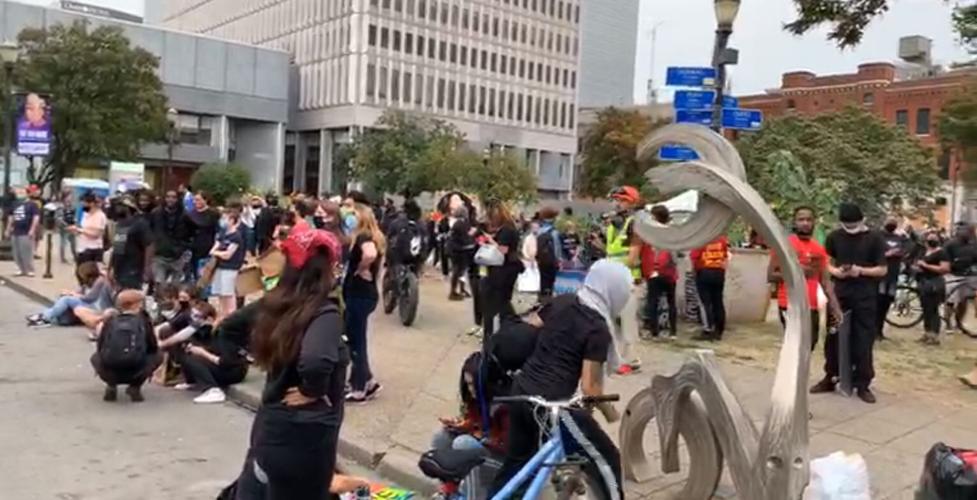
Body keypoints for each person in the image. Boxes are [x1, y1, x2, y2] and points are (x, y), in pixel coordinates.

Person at [489, 260, 626, 499]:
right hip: (551, 406)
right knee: (606, 459)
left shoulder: (563, 302)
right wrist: (611, 413)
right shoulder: (597, 328)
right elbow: (590, 388)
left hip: (521, 392)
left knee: (517, 465)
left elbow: (529, 330)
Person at [233, 227, 347, 499]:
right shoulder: (324, 313)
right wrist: (313, 390)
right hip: (303, 438)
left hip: (270, 427)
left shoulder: (274, 304)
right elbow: (316, 360)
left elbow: (228, 328)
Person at [811, 203, 887, 404]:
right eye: (846, 224)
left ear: (862, 220)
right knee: (834, 335)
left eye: (853, 224)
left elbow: (882, 270)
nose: (850, 228)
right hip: (840, 294)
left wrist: (860, 271)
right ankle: (831, 377)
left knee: (863, 339)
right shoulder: (835, 237)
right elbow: (825, 262)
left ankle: (862, 383)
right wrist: (834, 271)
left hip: (865, 294)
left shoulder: (875, 238)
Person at [767, 206, 842, 351]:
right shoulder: (784, 246)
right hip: (789, 303)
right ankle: (790, 373)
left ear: (814, 223)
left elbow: (825, 281)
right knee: (795, 345)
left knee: (810, 345)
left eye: (808, 220)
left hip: (811, 305)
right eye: (801, 219)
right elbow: (771, 275)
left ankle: (800, 374)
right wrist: (796, 272)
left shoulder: (818, 249)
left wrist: (835, 306)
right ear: (794, 223)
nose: (805, 223)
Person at [344, 203, 385, 404]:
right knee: (357, 339)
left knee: (356, 341)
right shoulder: (375, 236)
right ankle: (366, 380)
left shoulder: (364, 237)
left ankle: (359, 387)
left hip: (358, 294)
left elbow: (369, 254)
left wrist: (361, 268)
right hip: (365, 294)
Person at [90, 290, 162, 403]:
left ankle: (111, 384)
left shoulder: (110, 321)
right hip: (136, 368)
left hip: (110, 369)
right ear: (136, 304)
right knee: (158, 355)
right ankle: (135, 386)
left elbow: (101, 345)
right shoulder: (143, 321)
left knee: (95, 357)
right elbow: (152, 346)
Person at [172, 301, 250, 404]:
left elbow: (226, 362)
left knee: (192, 358)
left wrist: (203, 353)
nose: (194, 321)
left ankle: (213, 390)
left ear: (209, 319)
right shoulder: (201, 333)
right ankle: (192, 381)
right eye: (192, 317)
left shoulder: (222, 333)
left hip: (233, 371)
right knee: (184, 352)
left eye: (197, 317)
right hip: (219, 366)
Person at [603, 186, 644, 374]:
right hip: (614, 279)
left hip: (628, 280)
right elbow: (612, 251)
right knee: (611, 322)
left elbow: (633, 256)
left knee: (628, 322)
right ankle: (616, 357)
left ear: (631, 202)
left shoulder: (635, 224)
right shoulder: (614, 225)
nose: (616, 203)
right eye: (615, 200)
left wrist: (616, 272)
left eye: (620, 200)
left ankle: (632, 360)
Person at [479, 202, 524, 339]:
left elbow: (503, 250)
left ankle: (491, 333)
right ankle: (510, 329)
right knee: (503, 302)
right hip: (509, 269)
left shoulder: (506, 231)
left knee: (495, 302)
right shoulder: (511, 229)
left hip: (502, 270)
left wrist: (489, 241)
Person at [26, 261, 113, 328]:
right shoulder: (85, 284)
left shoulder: (100, 281)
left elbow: (89, 298)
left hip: (95, 307)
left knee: (67, 300)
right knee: (64, 306)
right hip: (87, 305)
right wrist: (71, 293)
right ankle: (47, 317)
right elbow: (80, 293)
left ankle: (44, 317)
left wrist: (73, 294)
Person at [641, 205, 678, 340]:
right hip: (669, 273)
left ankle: (654, 332)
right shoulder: (671, 232)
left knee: (653, 302)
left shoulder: (651, 232)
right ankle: (673, 332)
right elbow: (675, 254)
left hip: (654, 271)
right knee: (671, 301)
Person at [108, 196, 154, 291]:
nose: (117, 208)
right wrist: (110, 267)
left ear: (128, 207)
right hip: (119, 269)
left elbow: (149, 245)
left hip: (133, 269)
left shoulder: (140, 223)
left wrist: (147, 268)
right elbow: (117, 248)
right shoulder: (120, 224)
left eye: (120, 205)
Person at [690, 235, 731, 342]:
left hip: (705, 272)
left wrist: (694, 271)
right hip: (719, 272)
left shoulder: (701, 238)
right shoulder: (722, 239)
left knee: (705, 303)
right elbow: (726, 256)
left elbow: (694, 257)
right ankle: (719, 330)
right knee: (718, 302)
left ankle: (708, 330)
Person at [210, 202, 246, 320]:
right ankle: (223, 317)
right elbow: (213, 249)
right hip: (219, 267)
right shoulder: (223, 233)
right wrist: (218, 252)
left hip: (230, 269)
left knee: (229, 295)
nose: (223, 220)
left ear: (232, 220)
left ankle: (231, 317)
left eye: (226, 218)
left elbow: (228, 255)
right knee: (221, 295)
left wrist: (217, 253)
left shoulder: (236, 236)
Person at [877, 215, 910, 340]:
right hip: (880, 275)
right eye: (889, 221)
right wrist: (886, 254)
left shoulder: (899, 238)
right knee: (878, 302)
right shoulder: (878, 237)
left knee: (886, 303)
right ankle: (874, 330)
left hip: (893, 275)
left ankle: (880, 330)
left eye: (894, 222)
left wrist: (900, 253)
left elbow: (907, 249)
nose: (891, 223)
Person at [914, 230, 950, 345]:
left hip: (935, 283)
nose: (931, 240)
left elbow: (945, 269)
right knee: (925, 309)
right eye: (930, 238)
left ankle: (934, 335)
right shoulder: (924, 252)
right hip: (923, 282)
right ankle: (927, 333)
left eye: (934, 238)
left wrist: (926, 266)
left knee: (933, 309)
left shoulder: (942, 253)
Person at [941, 222, 977, 334]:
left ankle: (959, 322)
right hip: (953, 274)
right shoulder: (950, 244)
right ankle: (947, 323)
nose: (969, 234)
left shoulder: (974, 244)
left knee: (964, 300)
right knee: (950, 300)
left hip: (968, 274)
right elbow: (944, 258)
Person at [150, 190, 190, 286]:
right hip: (160, 255)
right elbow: (150, 230)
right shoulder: (156, 213)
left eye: (173, 197)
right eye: (168, 197)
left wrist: (183, 248)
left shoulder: (185, 215)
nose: (170, 200)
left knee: (176, 287)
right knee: (159, 285)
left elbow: (189, 233)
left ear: (177, 199)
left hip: (178, 256)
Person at [186, 192, 221, 284]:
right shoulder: (190, 214)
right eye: (194, 200)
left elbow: (217, 230)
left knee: (203, 273)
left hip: (207, 245)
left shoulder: (213, 214)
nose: (195, 202)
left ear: (205, 200)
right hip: (193, 246)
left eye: (198, 199)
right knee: (192, 272)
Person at [5, 187, 40, 277]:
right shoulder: (14, 204)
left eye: (22, 192)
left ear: (27, 194)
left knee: (26, 251)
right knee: (17, 252)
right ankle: (20, 268)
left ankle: (30, 269)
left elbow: (36, 217)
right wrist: (8, 229)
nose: (19, 193)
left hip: (26, 231)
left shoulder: (32, 204)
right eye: (18, 192)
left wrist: (32, 229)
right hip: (16, 231)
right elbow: (11, 217)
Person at [449, 206, 477, 301]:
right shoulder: (460, 223)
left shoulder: (459, 223)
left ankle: (461, 289)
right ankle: (454, 291)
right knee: (458, 271)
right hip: (459, 250)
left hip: (459, 249)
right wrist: (472, 235)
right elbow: (465, 236)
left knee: (461, 271)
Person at [535, 207, 564, 299]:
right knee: (551, 283)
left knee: (543, 281)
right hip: (551, 262)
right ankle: (549, 301)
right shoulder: (554, 232)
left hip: (541, 260)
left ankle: (542, 299)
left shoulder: (539, 231)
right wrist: (559, 261)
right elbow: (557, 249)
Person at [71, 192, 107, 265]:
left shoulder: (100, 216)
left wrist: (80, 230)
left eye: (84, 203)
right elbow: (84, 229)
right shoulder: (85, 215)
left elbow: (96, 234)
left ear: (91, 204)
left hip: (93, 249)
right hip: (82, 248)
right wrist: (76, 231)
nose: (83, 206)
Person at [57, 188, 77, 264]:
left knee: (73, 243)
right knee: (63, 242)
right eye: (69, 196)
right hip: (64, 227)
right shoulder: (61, 207)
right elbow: (59, 218)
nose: (70, 198)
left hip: (72, 226)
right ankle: (62, 258)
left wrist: (75, 222)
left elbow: (74, 215)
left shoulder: (72, 206)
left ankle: (75, 256)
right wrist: (65, 225)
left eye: (71, 196)